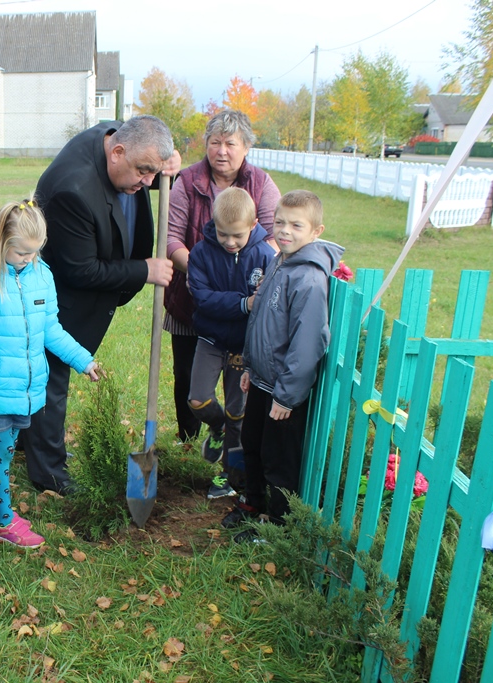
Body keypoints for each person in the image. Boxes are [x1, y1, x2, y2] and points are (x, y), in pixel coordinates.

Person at [19, 115, 181, 494]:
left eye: (153, 173)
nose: (147, 182)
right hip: (58, 298)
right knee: (50, 379)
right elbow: (81, 270)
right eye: (144, 172)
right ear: (117, 153)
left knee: (48, 380)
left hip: (76, 284)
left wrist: (163, 164)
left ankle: (33, 444)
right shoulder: (72, 190)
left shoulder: (117, 136)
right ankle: (48, 472)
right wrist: (144, 270)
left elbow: (144, 150)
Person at [0, 200, 101, 547]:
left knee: (4, 451)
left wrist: (83, 360)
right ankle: (4, 521)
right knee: (1, 454)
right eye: (22, 253)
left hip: (26, 388)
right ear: (0, 241)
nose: (29, 260)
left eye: (35, 253)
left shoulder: (40, 274)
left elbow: (51, 328)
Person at [223, 190, 344, 542]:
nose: (285, 231)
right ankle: (253, 501)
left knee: (278, 459)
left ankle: (278, 525)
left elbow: (308, 343)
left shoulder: (307, 278)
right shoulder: (280, 261)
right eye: (279, 222)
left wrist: (287, 396)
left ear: (316, 231)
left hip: (283, 393)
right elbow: (261, 319)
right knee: (253, 445)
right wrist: (248, 366)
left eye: (296, 225)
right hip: (262, 380)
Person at [165, 110, 281, 444]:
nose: (222, 150)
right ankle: (188, 438)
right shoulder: (187, 181)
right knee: (187, 372)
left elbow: (274, 236)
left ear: (245, 147)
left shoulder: (261, 183)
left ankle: (232, 446)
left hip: (246, 303)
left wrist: (245, 270)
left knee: (237, 387)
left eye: (230, 143)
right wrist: (200, 273)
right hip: (192, 295)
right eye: (215, 142)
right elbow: (172, 238)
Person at [186, 187, 276, 500]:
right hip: (210, 338)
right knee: (197, 399)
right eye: (223, 234)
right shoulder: (200, 253)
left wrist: (255, 305)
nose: (229, 242)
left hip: (244, 345)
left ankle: (228, 476)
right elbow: (203, 298)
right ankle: (217, 427)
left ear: (253, 226)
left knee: (239, 413)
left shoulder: (265, 256)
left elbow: (267, 303)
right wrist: (243, 304)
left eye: (237, 235)